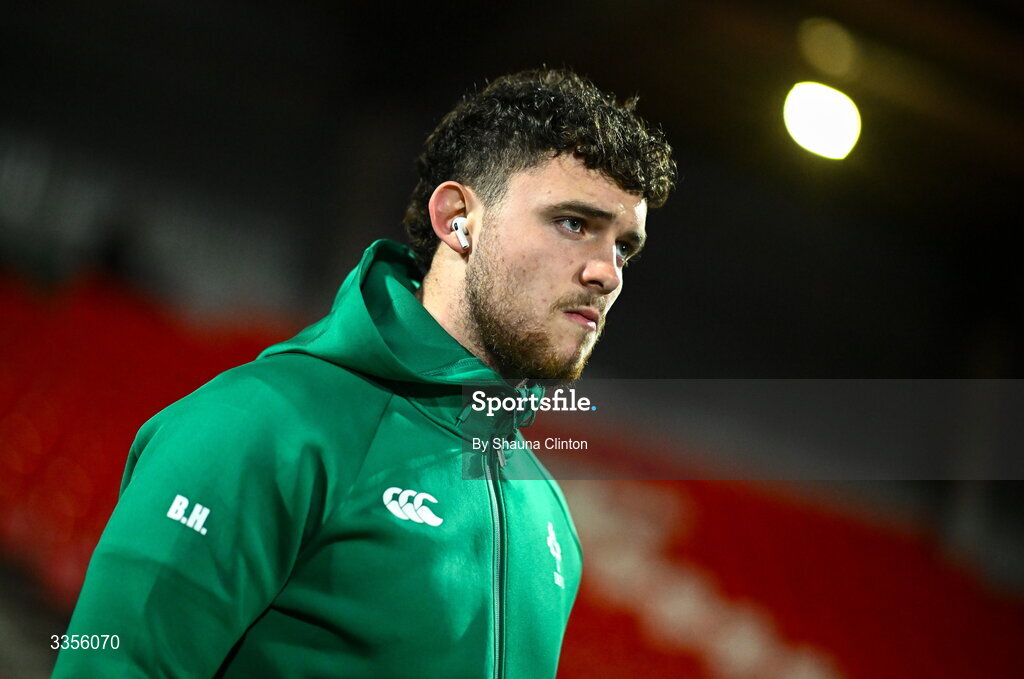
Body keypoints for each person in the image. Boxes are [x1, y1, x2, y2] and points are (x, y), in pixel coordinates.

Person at [52, 67, 675, 678]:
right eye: (575, 224)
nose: (608, 274)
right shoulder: (265, 424)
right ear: (457, 219)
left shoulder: (548, 516)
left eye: (624, 247)